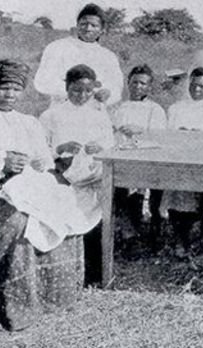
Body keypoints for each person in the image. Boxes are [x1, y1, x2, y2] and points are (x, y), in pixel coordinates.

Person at [0, 60, 83, 330]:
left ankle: (51, 297)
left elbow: (43, 158)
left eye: (15, 89)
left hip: (25, 183)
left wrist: (49, 162)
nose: (9, 95)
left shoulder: (28, 121)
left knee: (66, 211)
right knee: (17, 220)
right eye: (3, 88)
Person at [39, 64, 114, 285]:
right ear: (67, 88)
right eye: (76, 90)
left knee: (94, 222)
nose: (82, 95)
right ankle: (64, 275)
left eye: (88, 91)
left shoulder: (99, 115)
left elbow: (110, 144)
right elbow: (40, 150)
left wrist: (98, 148)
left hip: (92, 178)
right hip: (62, 177)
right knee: (64, 220)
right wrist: (60, 149)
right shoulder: (51, 115)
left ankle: (91, 276)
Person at [160, 67, 203, 258]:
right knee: (176, 198)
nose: (197, 89)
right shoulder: (176, 108)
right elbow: (168, 135)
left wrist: (198, 136)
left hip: (201, 161)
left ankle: (196, 241)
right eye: (194, 85)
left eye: (202, 86)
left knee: (197, 201)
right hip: (179, 159)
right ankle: (179, 240)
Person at [109, 64, 167, 241]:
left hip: (146, 157)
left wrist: (139, 130)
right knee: (120, 190)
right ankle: (127, 231)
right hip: (122, 156)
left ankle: (151, 231)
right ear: (128, 83)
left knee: (145, 189)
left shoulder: (154, 109)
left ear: (149, 87)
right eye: (134, 83)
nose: (137, 87)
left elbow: (159, 136)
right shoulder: (118, 107)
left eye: (142, 84)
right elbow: (109, 131)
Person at [34, 3, 122, 107]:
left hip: (94, 110)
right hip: (62, 108)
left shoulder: (108, 57)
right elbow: (42, 81)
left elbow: (116, 88)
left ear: (102, 30)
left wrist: (108, 93)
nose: (88, 28)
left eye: (94, 25)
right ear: (77, 25)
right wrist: (76, 91)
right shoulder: (58, 47)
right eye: (84, 24)